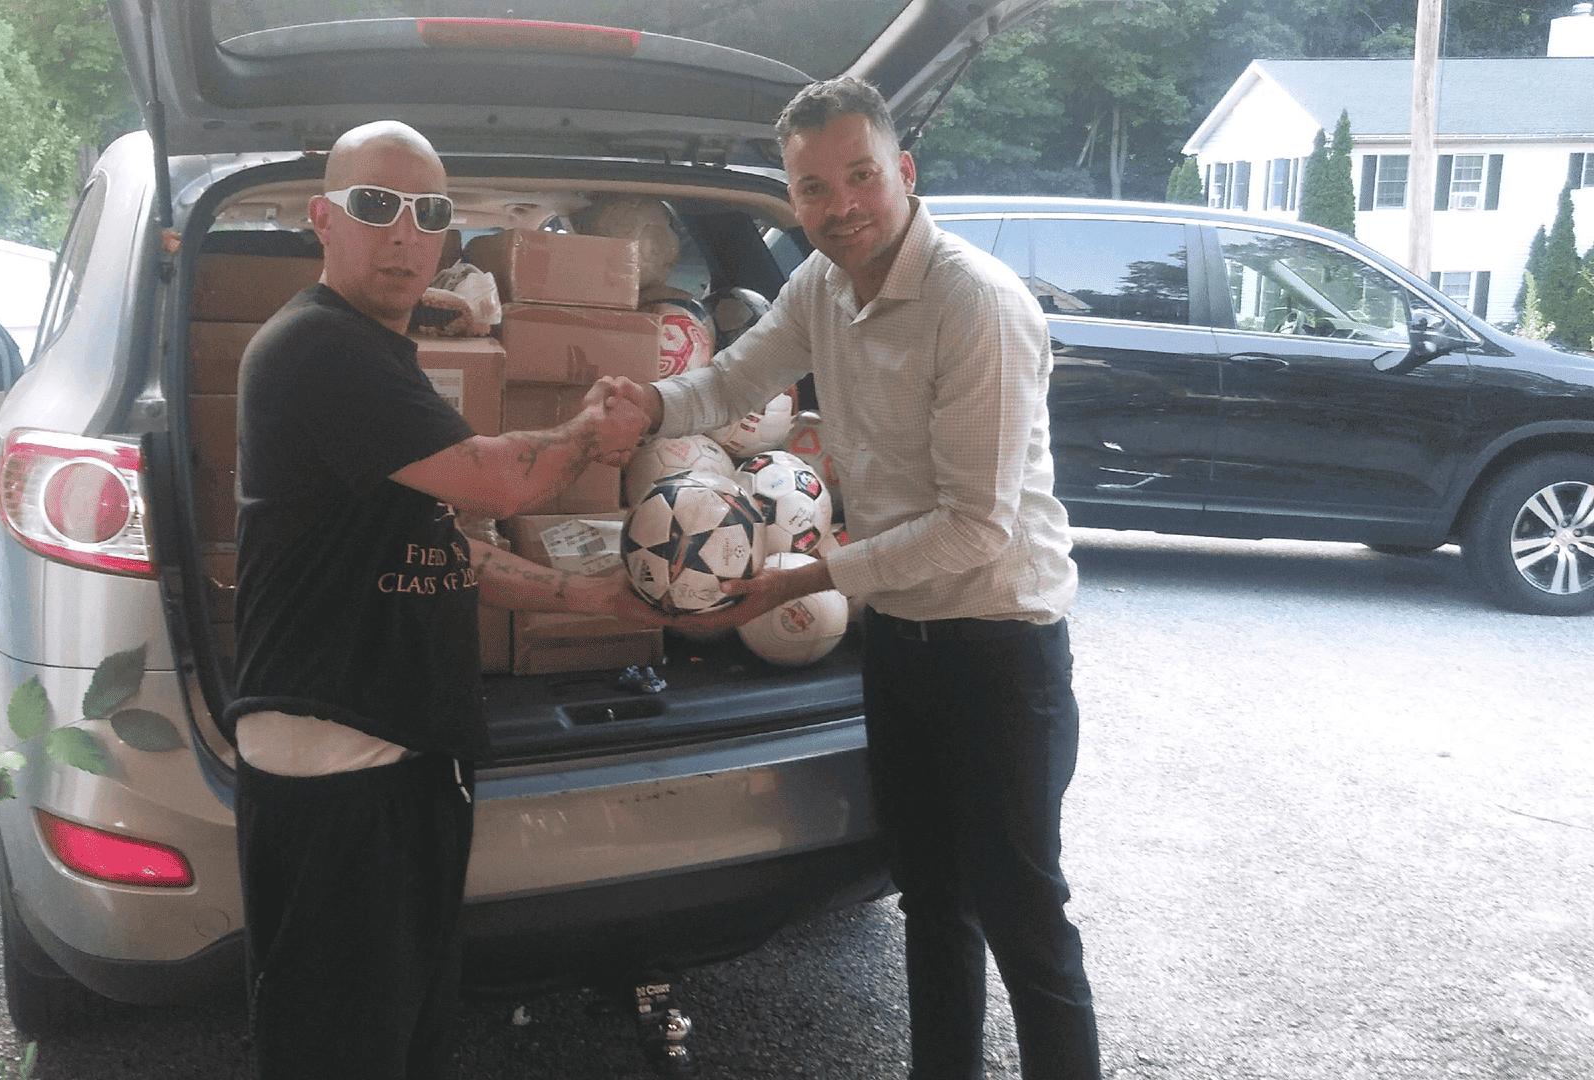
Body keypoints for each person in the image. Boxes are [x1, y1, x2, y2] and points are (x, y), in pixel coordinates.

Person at [606, 77, 1103, 1080]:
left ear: (903, 173)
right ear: (792, 199)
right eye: (813, 188)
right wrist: (643, 411)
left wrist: (807, 577)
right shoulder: (822, 287)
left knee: (1022, 917)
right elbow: (732, 381)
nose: (840, 207)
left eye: (860, 177)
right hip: (904, 645)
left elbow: (973, 527)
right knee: (930, 902)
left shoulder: (977, 304)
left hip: (1000, 646)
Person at [228, 119, 653, 1080]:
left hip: (402, 752)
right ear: (323, 218)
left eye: (430, 214)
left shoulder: (379, 356)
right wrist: (592, 430)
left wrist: (589, 601)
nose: (405, 235)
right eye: (377, 207)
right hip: (337, 758)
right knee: (338, 1047)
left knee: (405, 1035)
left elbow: (436, 549)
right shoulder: (316, 349)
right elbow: (499, 483)